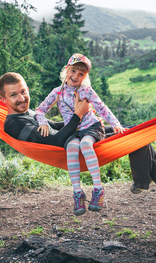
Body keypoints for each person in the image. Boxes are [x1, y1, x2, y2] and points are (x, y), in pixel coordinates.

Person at [0, 68, 156, 214]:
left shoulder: (29, 113)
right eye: (13, 95)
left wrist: (91, 122)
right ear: (3, 99)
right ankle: (152, 179)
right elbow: (57, 141)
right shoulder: (14, 125)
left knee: (132, 133)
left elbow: (56, 126)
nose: (21, 98)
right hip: (69, 149)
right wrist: (77, 115)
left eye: (23, 91)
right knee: (133, 137)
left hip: (80, 135)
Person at [34, 54, 124, 216]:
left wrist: (115, 123)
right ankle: (78, 193)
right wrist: (42, 122)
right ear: (66, 70)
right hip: (73, 130)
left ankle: (98, 188)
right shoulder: (57, 92)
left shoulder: (86, 90)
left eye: (81, 74)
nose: (76, 76)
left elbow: (102, 108)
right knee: (72, 148)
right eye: (73, 71)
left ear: (85, 77)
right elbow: (40, 109)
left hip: (91, 127)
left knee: (85, 144)